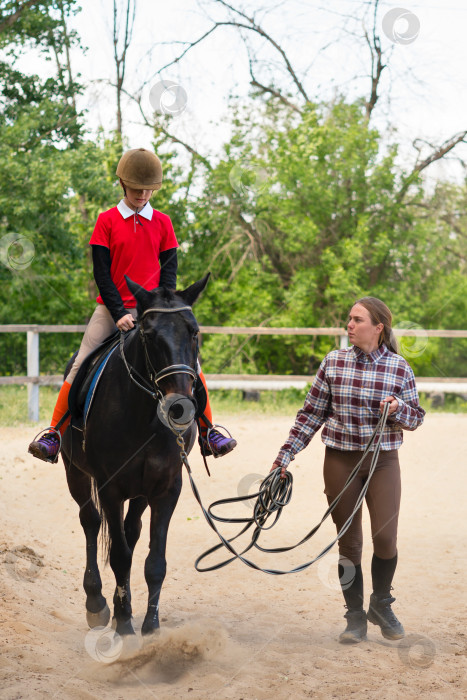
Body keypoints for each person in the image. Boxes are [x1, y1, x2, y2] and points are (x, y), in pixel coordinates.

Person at [28, 147, 237, 463]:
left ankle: (208, 430)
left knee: (191, 365)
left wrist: (159, 310)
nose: (142, 194)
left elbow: (169, 273)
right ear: (123, 185)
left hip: (154, 311)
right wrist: (119, 313)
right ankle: (55, 433)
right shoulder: (107, 221)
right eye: (136, 189)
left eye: (148, 189)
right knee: (81, 361)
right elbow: (102, 272)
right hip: (112, 310)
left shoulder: (163, 222)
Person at [271, 297, 425, 644]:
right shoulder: (333, 362)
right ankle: (354, 617)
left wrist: (398, 407)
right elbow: (311, 415)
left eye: (357, 320)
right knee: (349, 544)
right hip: (340, 459)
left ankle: (381, 604)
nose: (349, 325)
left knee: (385, 539)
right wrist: (284, 457)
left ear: (378, 327)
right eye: (349, 320)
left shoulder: (399, 367)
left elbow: (416, 417)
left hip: (382, 460)